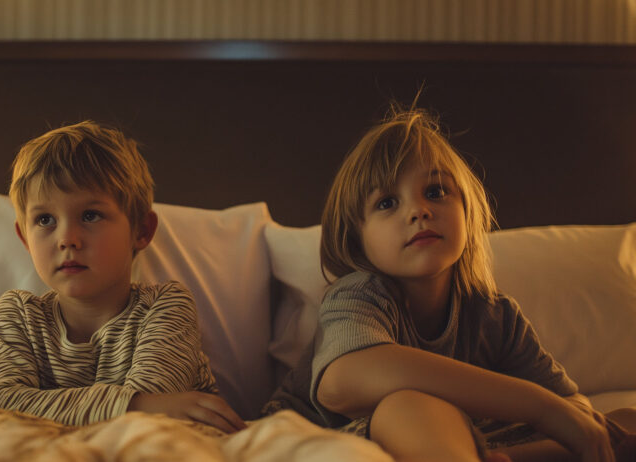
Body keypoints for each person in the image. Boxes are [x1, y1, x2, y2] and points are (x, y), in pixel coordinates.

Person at [265, 106, 636, 461]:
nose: (419, 210)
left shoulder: (494, 314)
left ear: (466, 210)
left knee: (622, 421)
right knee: (409, 405)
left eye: (436, 192)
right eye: (387, 202)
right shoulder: (359, 294)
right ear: (356, 239)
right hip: (321, 441)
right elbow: (341, 380)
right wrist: (539, 407)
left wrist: (559, 417)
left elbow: (572, 410)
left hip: (461, 443)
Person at [0, 121, 245, 434]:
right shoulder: (18, 315)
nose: (68, 239)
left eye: (90, 215)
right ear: (24, 238)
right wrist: (135, 404)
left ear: (141, 230)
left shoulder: (167, 306)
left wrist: (45, 404)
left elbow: (151, 417)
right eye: (45, 219)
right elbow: (0, 403)